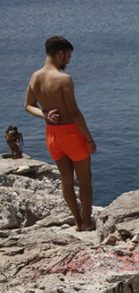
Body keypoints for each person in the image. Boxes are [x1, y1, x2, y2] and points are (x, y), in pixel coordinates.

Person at [25, 36, 97, 231]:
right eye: (68, 57)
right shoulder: (63, 79)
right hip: (71, 134)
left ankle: (76, 221)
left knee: (66, 178)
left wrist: (45, 114)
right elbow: (74, 112)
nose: (68, 61)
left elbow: (28, 106)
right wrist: (89, 139)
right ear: (60, 53)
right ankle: (87, 221)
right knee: (84, 179)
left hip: (51, 135)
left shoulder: (35, 77)